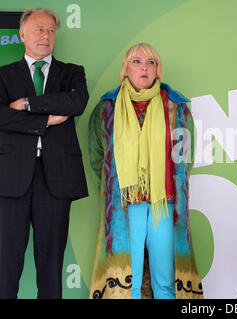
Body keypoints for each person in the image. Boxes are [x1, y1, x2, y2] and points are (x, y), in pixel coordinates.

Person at [88, 43, 203, 299]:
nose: (144, 67)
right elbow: (97, 155)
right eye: (137, 61)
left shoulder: (176, 108)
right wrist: (110, 190)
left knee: (165, 279)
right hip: (125, 205)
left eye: (150, 62)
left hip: (164, 203)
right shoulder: (107, 108)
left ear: (157, 70)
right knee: (128, 282)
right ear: (125, 69)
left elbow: (186, 155)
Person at [0, 8, 89, 299]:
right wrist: (46, 118)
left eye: (51, 30)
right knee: (5, 265)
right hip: (11, 179)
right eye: (39, 29)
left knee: (51, 265)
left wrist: (26, 103)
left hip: (56, 179)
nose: (45, 36)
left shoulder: (72, 72)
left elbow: (75, 102)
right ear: (22, 34)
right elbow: (2, 117)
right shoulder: (3, 76)